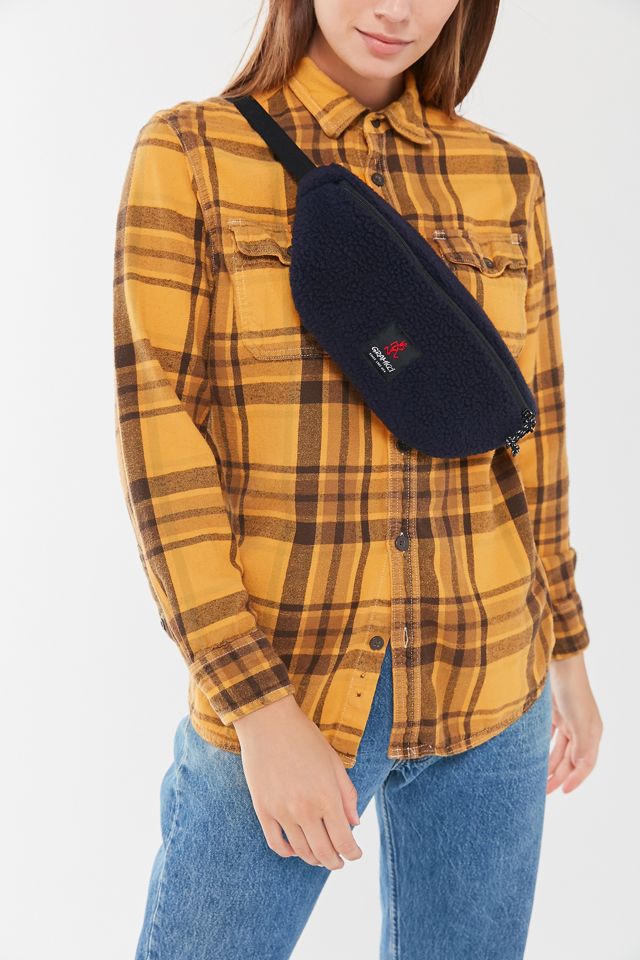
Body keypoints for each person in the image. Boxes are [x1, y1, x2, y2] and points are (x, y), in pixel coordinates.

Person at [112, 1, 603, 957]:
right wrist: (257, 708)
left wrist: (570, 654)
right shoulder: (193, 154)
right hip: (289, 685)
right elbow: (162, 456)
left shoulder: (505, 176)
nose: (396, 9)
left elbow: (534, 437)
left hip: (494, 684)